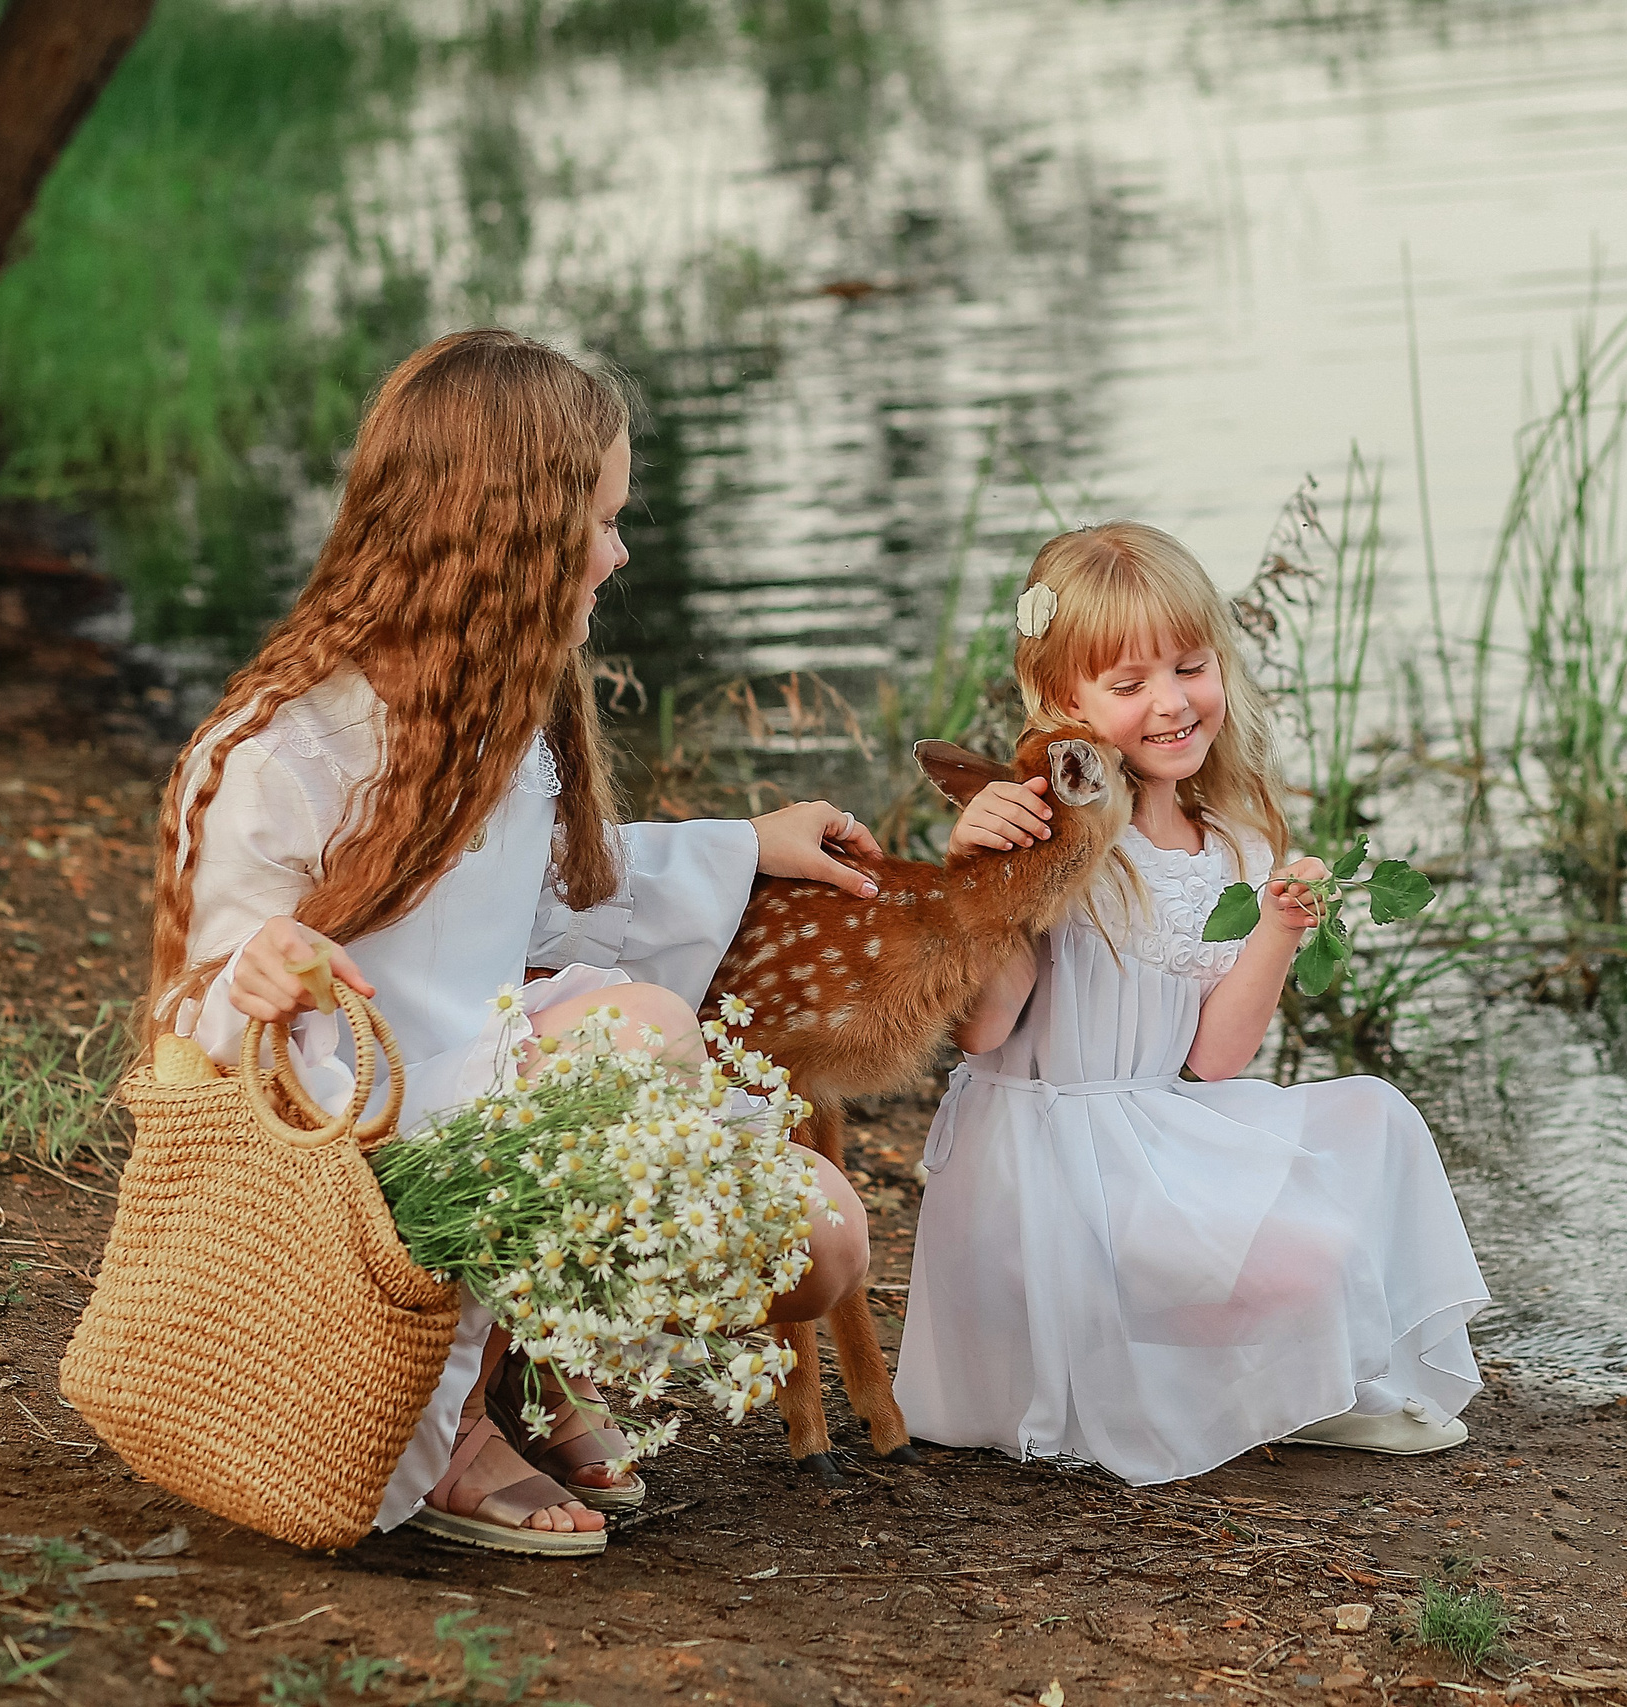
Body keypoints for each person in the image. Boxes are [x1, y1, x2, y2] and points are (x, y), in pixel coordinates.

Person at [143, 329, 874, 1556]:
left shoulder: (499, 723)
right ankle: (453, 1421)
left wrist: (743, 845)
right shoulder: (281, 750)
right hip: (348, 1145)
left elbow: (543, 903)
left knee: (822, 1238)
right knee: (638, 1035)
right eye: (599, 521)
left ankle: (522, 1356)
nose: (618, 551)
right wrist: (259, 973)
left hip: (487, 1103)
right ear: (509, 538)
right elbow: (198, 1004)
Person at [890, 521, 1489, 1487]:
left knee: (1371, 1121)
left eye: (1191, 666)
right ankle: (1279, 1379)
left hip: (1159, 1126)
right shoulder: (1052, 830)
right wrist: (984, 884)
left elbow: (1214, 1062)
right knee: (1319, 1257)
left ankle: (1294, 1371)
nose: (1170, 703)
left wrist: (1281, 928)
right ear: (1060, 700)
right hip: (1051, 1169)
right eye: (1128, 686)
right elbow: (983, 1027)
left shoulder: (1234, 835)